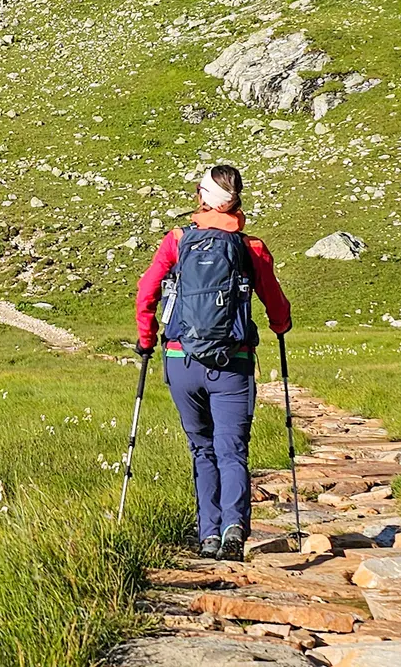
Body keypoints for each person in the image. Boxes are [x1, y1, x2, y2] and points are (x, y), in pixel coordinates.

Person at [134, 164, 291, 561]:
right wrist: (280, 324)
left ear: (201, 197)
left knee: (202, 448)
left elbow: (147, 292)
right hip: (233, 363)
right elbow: (275, 302)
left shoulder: (177, 240)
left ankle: (208, 534)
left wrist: (146, 339)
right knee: (232, 450)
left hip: (180, 360)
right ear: (236, 201)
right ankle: (233, 529)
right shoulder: (251, 247)